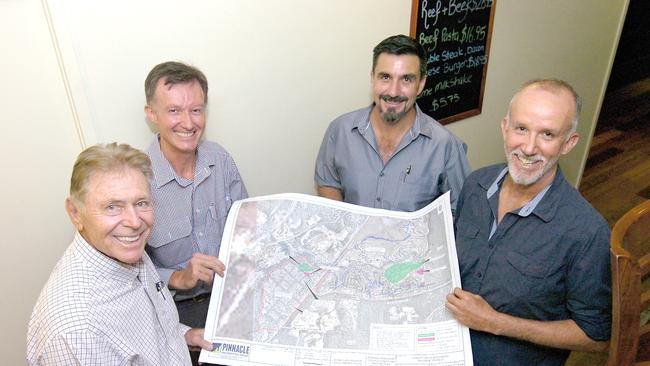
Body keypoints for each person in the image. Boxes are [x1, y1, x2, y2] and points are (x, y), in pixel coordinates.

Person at [446, 79, 611, 365]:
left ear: (568, 143)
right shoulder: (475, 185)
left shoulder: (586, 232)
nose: (529, 147)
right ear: (505, 128)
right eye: (521, 129)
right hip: (444, 345)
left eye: (547, 134)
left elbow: (594, 336)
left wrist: (495, 322)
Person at [27, 143, 212, 365]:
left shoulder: (124, 249)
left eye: (141, 203)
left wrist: (184, 336)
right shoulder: (77, 332)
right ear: (75, 213)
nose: (134, 223)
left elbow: (148, 333)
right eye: (112, 207)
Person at [143, 61, 248, 331]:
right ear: (151, 114)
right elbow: (128, 271)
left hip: (234, 296)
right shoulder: (138, 181)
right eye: (174, 111)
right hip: (176, 312)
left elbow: (249, 228)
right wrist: (177, 277)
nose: (188, 123)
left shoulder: (220, 159)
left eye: (196, 110)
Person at [314, 34, 471, 212]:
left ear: (420, 84)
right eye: (385, 77)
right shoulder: (339, 131)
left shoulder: (446, 147)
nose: (394, 91)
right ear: (373, 78)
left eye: (406, 79)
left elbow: (462, 211)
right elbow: (327, 183)